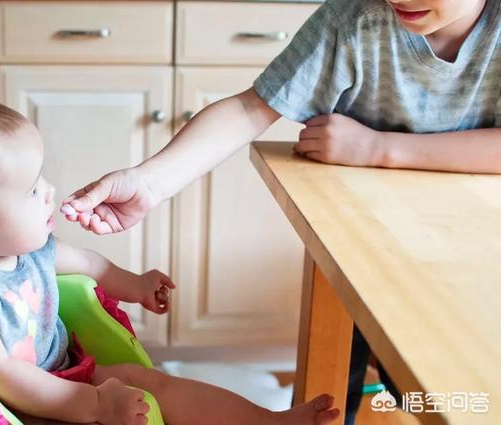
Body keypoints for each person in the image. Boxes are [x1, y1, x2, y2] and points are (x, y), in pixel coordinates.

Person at [60, 0, 501, 423]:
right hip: (360, 242)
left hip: (472, 251)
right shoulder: (353, 18)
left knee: (438, 383)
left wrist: (378, 148)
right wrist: (150, 182)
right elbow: (252, 107)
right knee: (338, 376)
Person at [0, 91, 339, 425]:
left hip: (60, 374)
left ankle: (266, 421)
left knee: (156, 385)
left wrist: (136, 285)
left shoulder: (22, 247)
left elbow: (90, 264)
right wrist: (95, 405)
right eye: (30, 191)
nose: (49, 193)